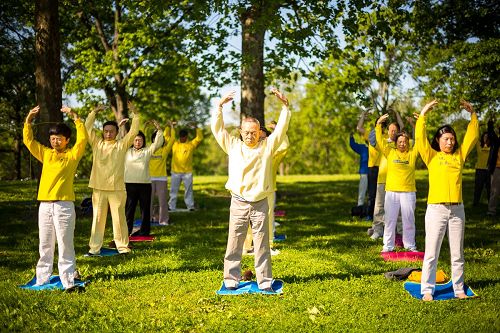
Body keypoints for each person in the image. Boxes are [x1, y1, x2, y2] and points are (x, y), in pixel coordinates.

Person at [212, 88, 291, 291]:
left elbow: (281, 131)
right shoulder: (233, 145)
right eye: (246, 132)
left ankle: (265, 281)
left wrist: (285, 107)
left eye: (254, 132)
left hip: (259, 203)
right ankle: (231, 279)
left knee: (262, 244)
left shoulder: (267, 146)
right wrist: (219, 107)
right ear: (240, 131)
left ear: (259, 132)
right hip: (238, 201)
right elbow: (218, 130)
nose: (250, 136)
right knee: (235, 242)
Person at [416, 99, 478, 301]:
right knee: (431, 253)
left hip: (457, 211)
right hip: (436, 210)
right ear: (438, 141)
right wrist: (423, 114)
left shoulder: (459, 156)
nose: (450, 142)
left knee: (457, 253)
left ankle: (458, 288)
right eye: (446, 139)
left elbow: (472, 137)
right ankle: (427, 290)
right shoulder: (431, 157)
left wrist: (473, 116)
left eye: (452, 139)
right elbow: (420, 139)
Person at [23, 105, 87, 290]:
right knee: (45, 244)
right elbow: (29, 141)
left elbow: (82, 139)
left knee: (65, 244)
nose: (55, 142)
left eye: (59, 139)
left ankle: (69, 282)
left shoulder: (72, 156)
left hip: (64, 206)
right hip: (45, 205)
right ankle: (41, 279)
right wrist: (28, 120)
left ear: (67, 140)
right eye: (52, 138)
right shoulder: (45, 153)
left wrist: (75, 117)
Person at [85, 102, 139, 255]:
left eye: (111, 131)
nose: (108, 134)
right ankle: (94, 249)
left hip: (117, 188)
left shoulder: (121, 145)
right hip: (98, 188)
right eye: (106, 131)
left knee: (119, 220)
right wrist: (94, 112)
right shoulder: (97, 144)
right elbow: (87, 128)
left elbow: (134, 131)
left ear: (116, 132)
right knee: (97, 219)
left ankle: (122, 247)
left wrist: (135, 114)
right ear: (103, 132)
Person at [376, 114, 419, 252]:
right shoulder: (390, 152)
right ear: (396, 143)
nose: (402, 143)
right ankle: (387, 246)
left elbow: (420, 140)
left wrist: (419, 125)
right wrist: (378, 125)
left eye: (405, 141)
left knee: (408, 220)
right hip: (392, 191)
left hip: (408, 192)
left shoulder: (412, 153)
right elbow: (380, 141)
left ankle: (410, 245)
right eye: (400, 141)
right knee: (390, 220)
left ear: (408, 142)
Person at [125, 122, 165, 236]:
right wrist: (121, 126)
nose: (138, 142)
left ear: (143, 141)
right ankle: (127, 231)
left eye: (140, 140)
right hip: (130, 185)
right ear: (132, 141)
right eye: (136, 140)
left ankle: (144, 231)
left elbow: (158, 143)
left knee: (145, 210)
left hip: (145, 185)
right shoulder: (126, 152)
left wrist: (159, 129)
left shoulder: (147, 151)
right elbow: (118, 142)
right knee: (129, 210)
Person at [168, 124, 203, 211]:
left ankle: (190, 206)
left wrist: (197, 128)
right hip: (175, 172)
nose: (182, 138)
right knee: (173, 190)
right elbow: (166, 136)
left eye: (184, 137)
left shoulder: (191, 145)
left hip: (187, 172)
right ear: (179, 136)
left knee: (188, 190)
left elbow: (199, 138)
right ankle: (171, 206)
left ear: (186, 137)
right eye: (181, 137)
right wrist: (169, 127)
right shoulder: (174, 144)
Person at [149, 121, 175, 225]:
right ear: (153, 140)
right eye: (156, 138)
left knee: (163, 202)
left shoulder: (164, 150)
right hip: (149, 179)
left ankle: (163, 220)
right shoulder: (149, 149)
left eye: (160, 138)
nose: (158, 140)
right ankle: (148, 218)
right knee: (148, 201)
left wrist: (171, 127)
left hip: (161, 179)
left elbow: (172, 140)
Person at [349, 133, 369, 208]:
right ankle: (360, 207)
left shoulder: (377, 148)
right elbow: (353, 145)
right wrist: (351, 137)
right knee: (362, 191)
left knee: (372, 193)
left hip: (374, 172)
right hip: (364, 172)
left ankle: (371, 208)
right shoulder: (363, 148)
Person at [487, 119, 500, 216]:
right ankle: (492, 210)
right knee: (494, 191)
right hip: (497, 168)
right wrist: (490, 123)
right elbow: (491, 133)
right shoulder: (496, 141)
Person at [473, 132, 491, 206]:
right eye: (484, 136)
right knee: (478, 187)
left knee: (489, 188)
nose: (486, 138)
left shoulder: (493, 146)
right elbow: (475, 136)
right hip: (480, 169)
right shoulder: (479, 145)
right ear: (482, 137)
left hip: (489, 170)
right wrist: (477, 127)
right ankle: (475, 203)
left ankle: (491, 204)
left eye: (487, 137)